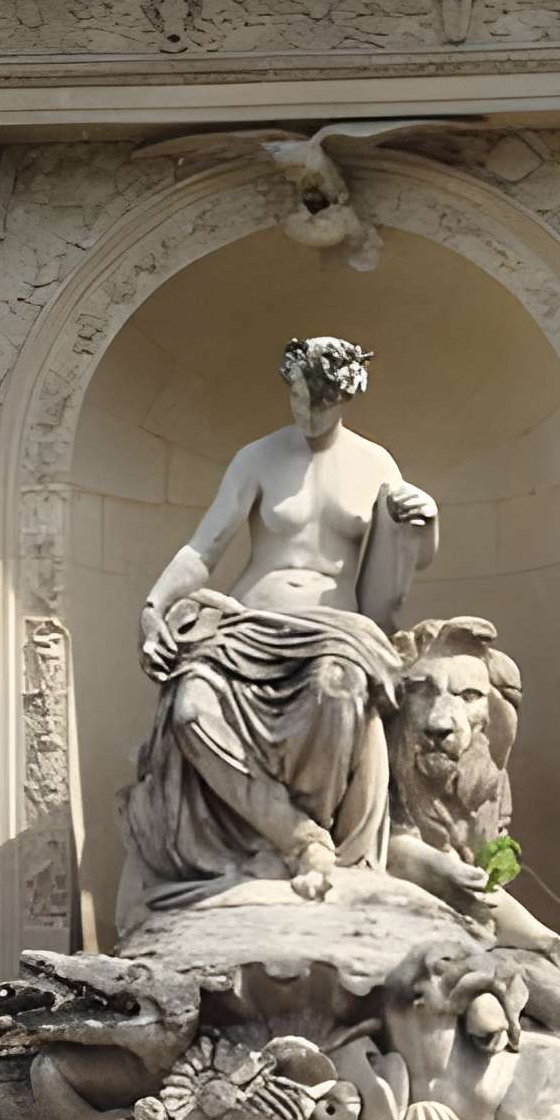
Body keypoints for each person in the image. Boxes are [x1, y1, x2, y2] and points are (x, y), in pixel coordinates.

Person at [119, 336, 439, 920]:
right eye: (296, 397)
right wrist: (154, 606)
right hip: (247, 625)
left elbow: (410, 558)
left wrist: (426, 521)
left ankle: (311, 847)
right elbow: (205, 545)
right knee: (190, 708)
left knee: (338, 693)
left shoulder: (375, 463)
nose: (306, 413)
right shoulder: (257, 457)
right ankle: (296, 837)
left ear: (344, 397)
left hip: (335, 632)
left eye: (319, 402)